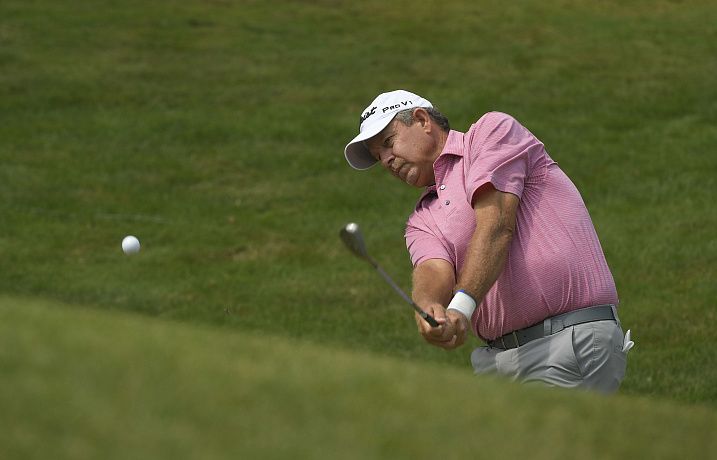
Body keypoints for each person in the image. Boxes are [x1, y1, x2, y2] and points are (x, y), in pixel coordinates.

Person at [343, 89, 633, 392]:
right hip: (497, 362)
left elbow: (497, 225)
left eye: (389, 143)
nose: (386, 160)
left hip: (566, 341)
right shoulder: (421, 219)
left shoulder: (491, 132)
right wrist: (430, 308)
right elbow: (433, 269)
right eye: (378, 157)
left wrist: (460, 308)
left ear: (422, 120)